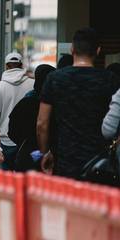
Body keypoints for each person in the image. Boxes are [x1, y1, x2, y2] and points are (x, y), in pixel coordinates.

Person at [37, 27, 120, 179]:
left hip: (65, 160)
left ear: (72, 49)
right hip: (100, 162)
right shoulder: (110, 79)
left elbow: (42, 123)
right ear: (98, 50)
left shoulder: (55, 79)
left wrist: (45, 152)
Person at [0, 52, 34, 170]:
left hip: (5, 140)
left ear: (6, 66)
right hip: (26, 141)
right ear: (21, 65)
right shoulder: (32, 84)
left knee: (5, 179)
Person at [8, 64, 55, 171]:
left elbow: (12, 130)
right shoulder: (54, 105)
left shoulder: (25, 102)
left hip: (27, 154)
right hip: (51, 155)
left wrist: (25, 143)